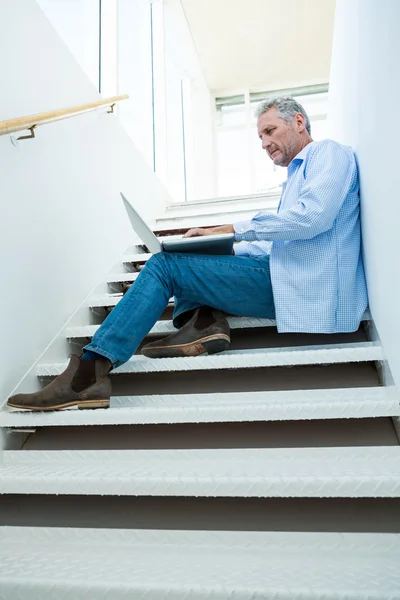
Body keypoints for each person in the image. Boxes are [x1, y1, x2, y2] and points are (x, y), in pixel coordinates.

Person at [7, 97, 368, 411]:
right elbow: (274, 242)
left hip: (305, 287)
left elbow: (312, 218)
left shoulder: (328, 153)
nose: (264, 143)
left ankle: (89, 373)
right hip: (286, 277)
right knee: (191, 257)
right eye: (261, 136)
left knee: (165, 267)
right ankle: (203, 320)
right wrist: (214, 242)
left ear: (299, 122)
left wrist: (231, 229)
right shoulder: (297, 176)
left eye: (270, 131)